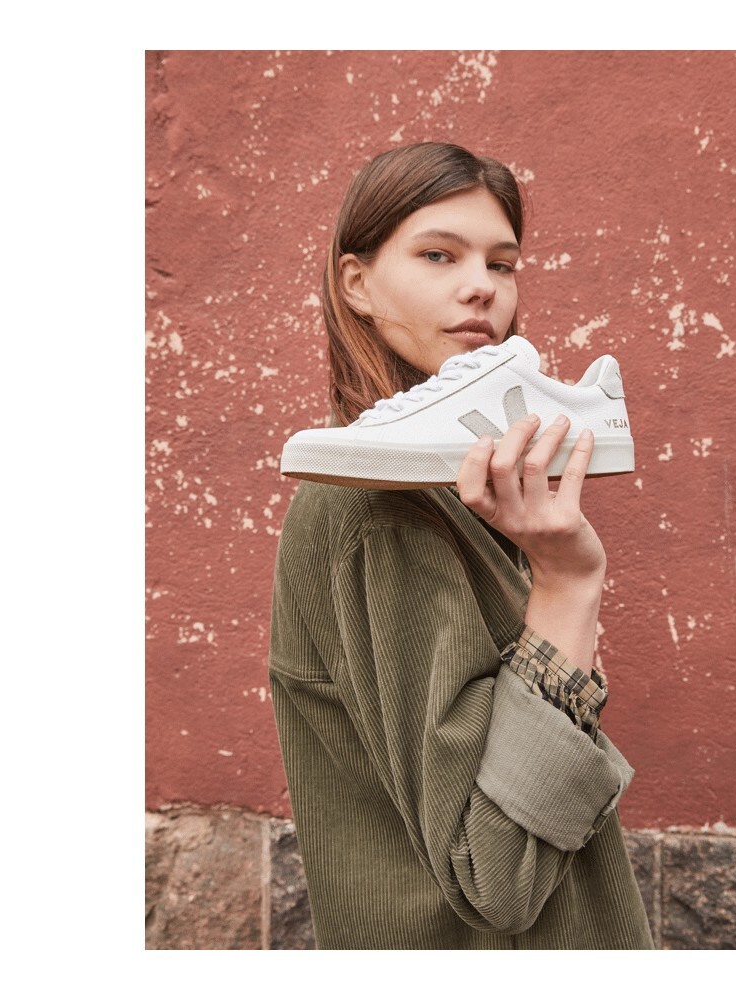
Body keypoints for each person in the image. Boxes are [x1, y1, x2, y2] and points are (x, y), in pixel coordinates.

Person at [268, 142, 654, 949]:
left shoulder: (456, 494)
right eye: (439, 255)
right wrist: (567, 583)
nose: (483, 285)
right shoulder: (381, 510)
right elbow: (496, 875)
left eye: (502, 264)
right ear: (356, 284)